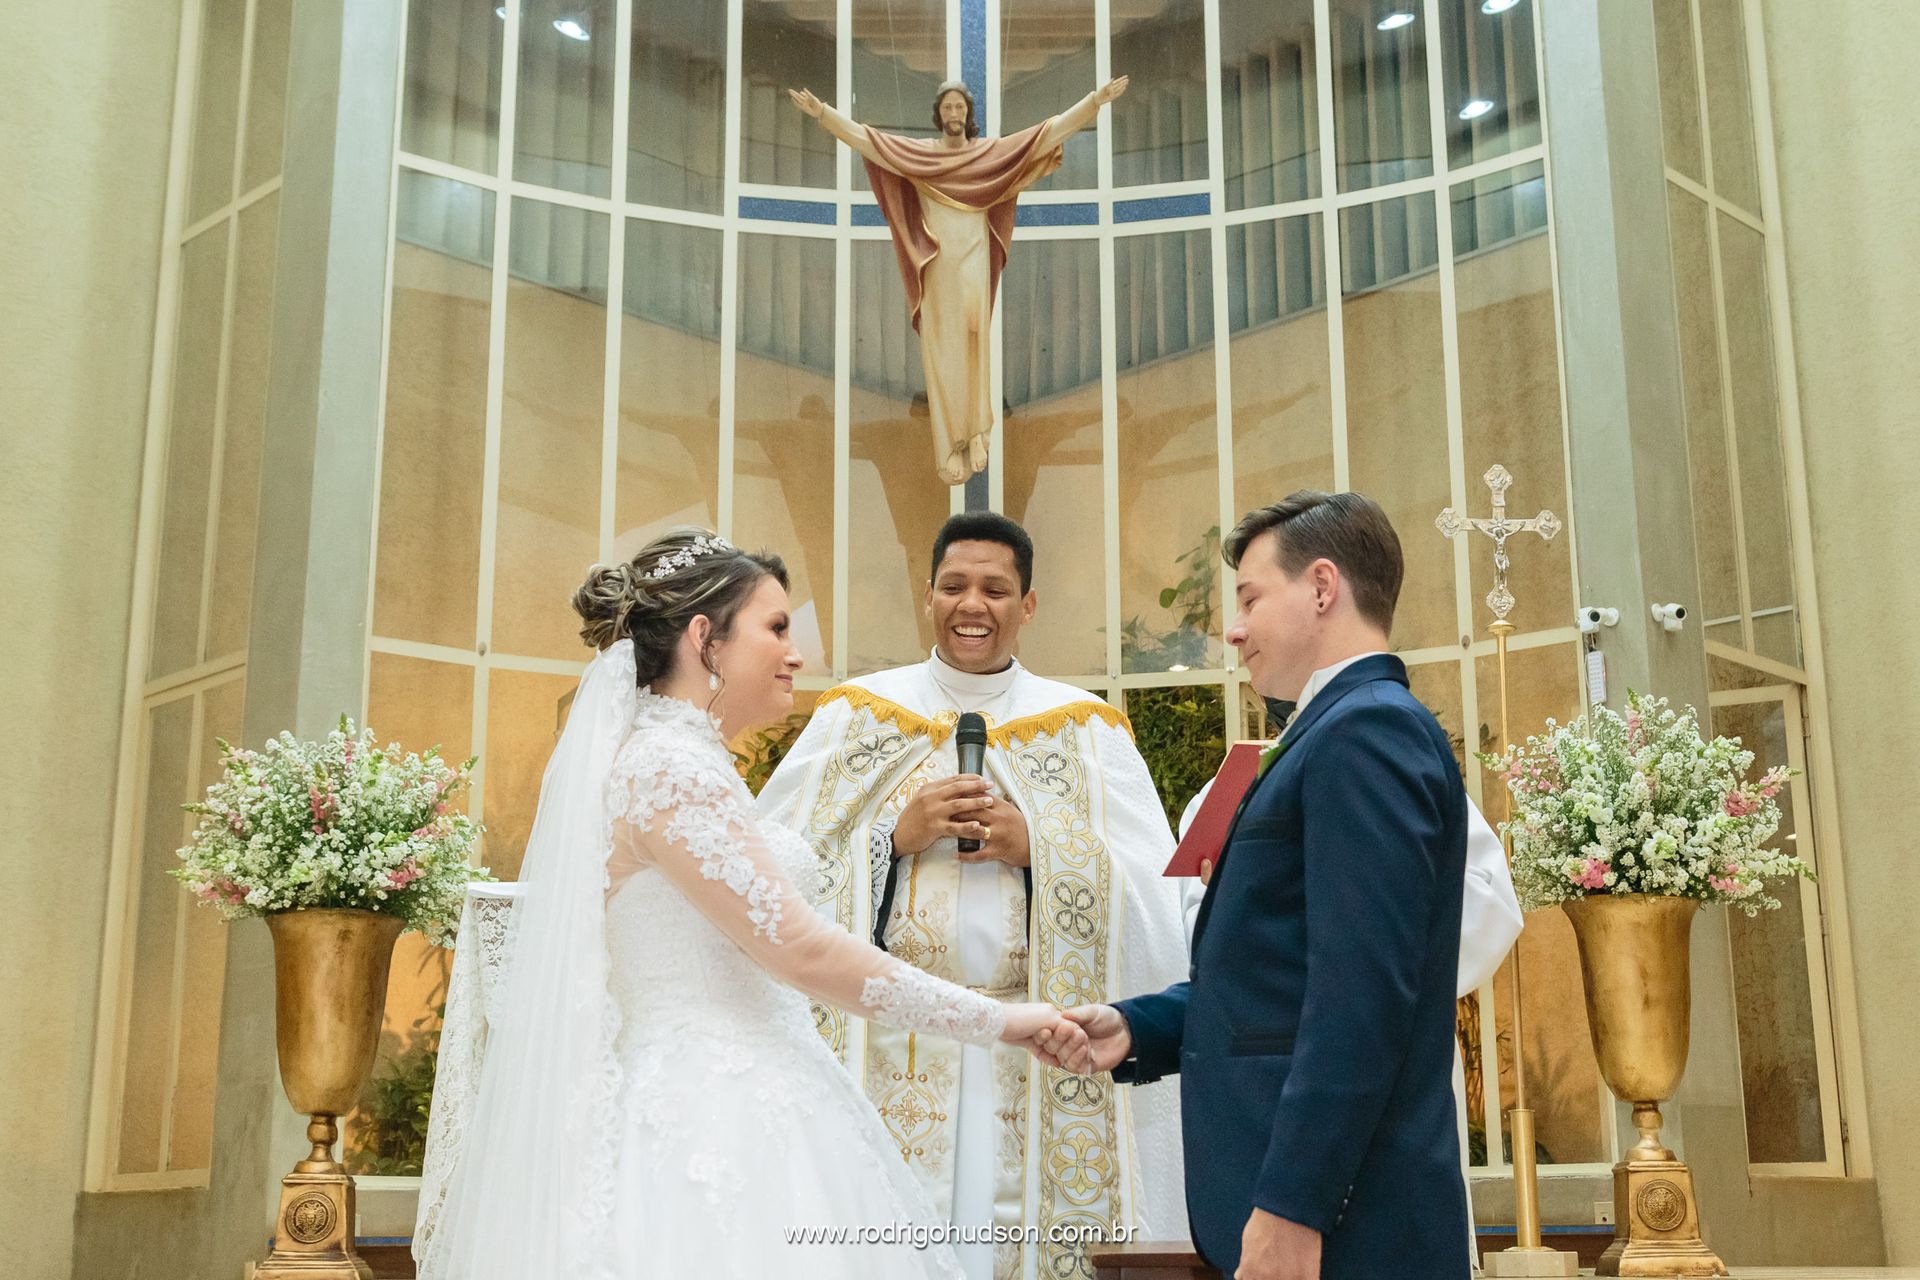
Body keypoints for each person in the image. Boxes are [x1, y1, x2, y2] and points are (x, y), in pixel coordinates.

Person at [414, 528, 1084, 1280]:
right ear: (706, 639)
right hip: (710, 1118)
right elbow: (797, 948)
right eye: (777, 628)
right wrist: (1000, 1020)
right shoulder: (670, 770)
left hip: (754, 1083)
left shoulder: (688, 762)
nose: (796, 653)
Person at [757, 512, 1190, 1280]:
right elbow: (773, 877)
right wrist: (893, 832)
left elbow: (1161, 900)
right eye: (955, 586)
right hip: (884, 1045)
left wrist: (1042, 849)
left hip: (1033, 1049)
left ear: (1027, 605)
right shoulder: (855, 716)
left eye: (995, 589)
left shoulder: (1089, 731)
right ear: (928, 596)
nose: (972, 605)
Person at [1055, 492, 1475, 1280]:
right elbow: (1283, 980)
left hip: (1348, 1226)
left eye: (1249, 598)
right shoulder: (1335, 730)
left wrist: (1295, 1206)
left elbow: (1360, 998)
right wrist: (1136, 1027)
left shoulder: (1367, 732)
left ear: (1322, 587)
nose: (1233, 628)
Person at [1174, 749, 1523, 1268]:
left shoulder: (1402, 774)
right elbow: (1202, 952)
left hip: (1394, 1088)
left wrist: (1347, 901)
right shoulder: (1220, 801)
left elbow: (1488, 909)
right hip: (1261, 1095)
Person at [789, 77, 1126, 483]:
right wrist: (822, 113)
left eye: (960, 108)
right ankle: (949, 443)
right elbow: (867, 140)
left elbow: (1046, 134)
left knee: (974, 341)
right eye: (948, 108)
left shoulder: (989, 155)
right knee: (942, 352)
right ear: (938, 115)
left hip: (974, 262)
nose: (954, 114)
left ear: (968, 114)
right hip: (937, 264)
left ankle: (978, 430)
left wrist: (1094, 102)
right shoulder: (920, 156)